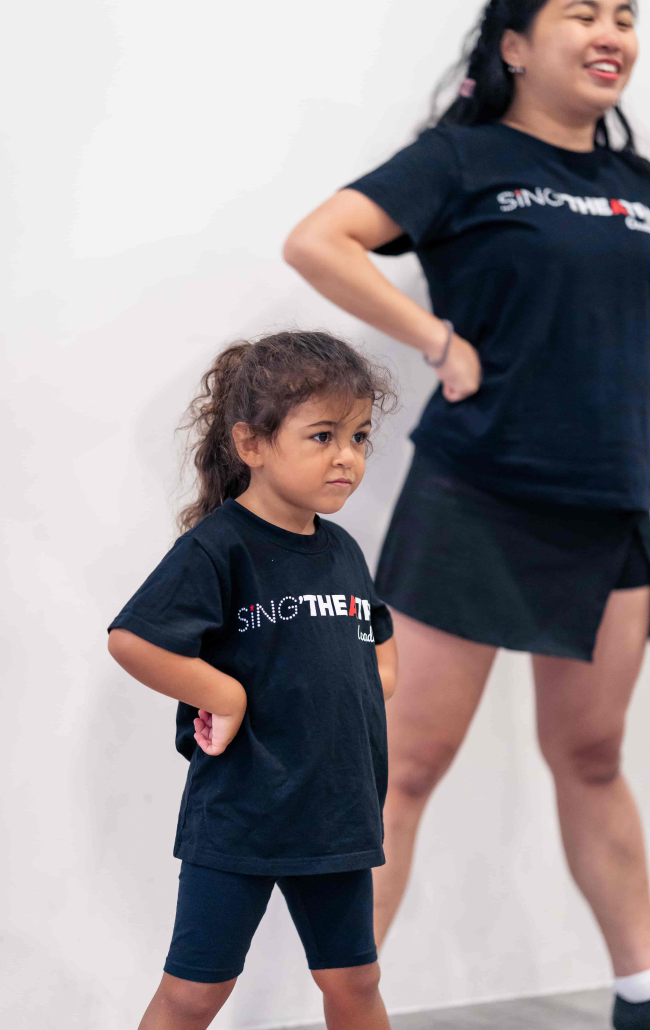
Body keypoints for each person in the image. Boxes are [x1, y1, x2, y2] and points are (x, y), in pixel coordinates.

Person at [283, 1, 650, 1027]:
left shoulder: (637, 185)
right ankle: (349, 1008)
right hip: (478, 495)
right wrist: (436, 340)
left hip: (613, 502)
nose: (612, 31)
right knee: (402, 767)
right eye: (582, 11)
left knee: (593, 757)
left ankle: (640, 991)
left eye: (626, 15)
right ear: (515, 46)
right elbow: (319, 241)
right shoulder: (461, 160)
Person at [107, 331, 398, 1030]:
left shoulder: (342, 550)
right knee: (194, 992)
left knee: (354, 979)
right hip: (242, 814)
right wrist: (224, 694)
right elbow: (132, 640)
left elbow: (378, 644)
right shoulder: (216, 548)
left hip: (335, 815)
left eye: (359, 436)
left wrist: (366, 688)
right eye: (323, 435)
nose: (347, 456)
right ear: (251, 443)